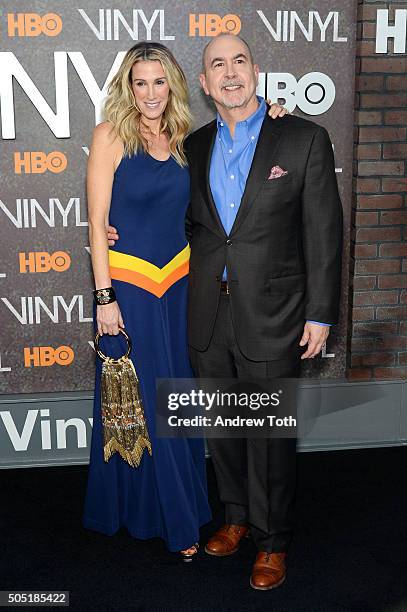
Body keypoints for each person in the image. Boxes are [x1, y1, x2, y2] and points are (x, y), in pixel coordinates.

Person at [84, 41, 287, 561]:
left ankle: (187, 506)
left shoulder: (188, 141)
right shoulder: (109, 137)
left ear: (173, 84)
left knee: (178, 405)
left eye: (158, 81)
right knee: (142, 404)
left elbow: (250, 147)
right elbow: (96, 224)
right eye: (140, 82)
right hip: (127, 289)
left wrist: (284, 113)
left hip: (181, 290)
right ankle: (172, 521)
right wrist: (104, 298)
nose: (150, 93)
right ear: (127, 88)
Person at [185, 33, 343, 589]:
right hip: (209, 312)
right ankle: (235, 518)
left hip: (277, 313)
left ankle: (272, 540)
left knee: (270, 434)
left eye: (239, 62)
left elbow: (324, 233)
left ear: (257, 71)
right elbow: (189, 227)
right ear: (204, 84)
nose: (230, 74)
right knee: (225, 426)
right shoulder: (195, 145)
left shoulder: (302, 137)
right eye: (217, 66)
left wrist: (321, 314)